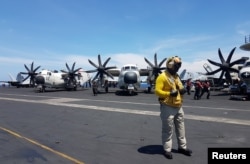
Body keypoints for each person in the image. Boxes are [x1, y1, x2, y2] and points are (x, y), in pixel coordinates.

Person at [155, 56, 192, 159]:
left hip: (178, 106)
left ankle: (182, 147)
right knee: (168, 129)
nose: (178, 68)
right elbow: (157, 91)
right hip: (167, 107)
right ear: (170, 65)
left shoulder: (176, 76)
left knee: (181, 128)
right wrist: (169, 93)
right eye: (176, 65)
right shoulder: (162, 77)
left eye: (179, 65)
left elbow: (180, 86)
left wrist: (183, 90)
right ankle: (167, 150)